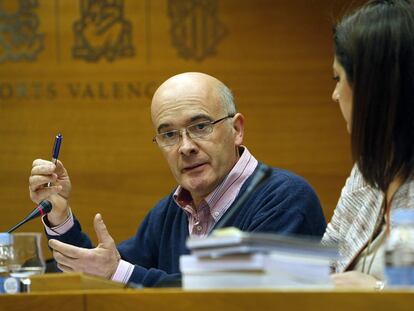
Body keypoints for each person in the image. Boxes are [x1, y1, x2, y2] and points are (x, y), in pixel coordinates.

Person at [29, 72, 326, 287]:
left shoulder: (286, 200)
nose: (185, 146)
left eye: (200, 126)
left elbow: (230, 299)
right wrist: (59, 215)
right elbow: (98, 271)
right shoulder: (170, 212)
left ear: (237, 129)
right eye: (169, 134)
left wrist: (119, 273)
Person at [322, 0, 414, 289]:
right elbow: (324, 263)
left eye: (338, 78)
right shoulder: (368, 169)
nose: (335, 95)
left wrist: (374, 293)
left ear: (372, 86)